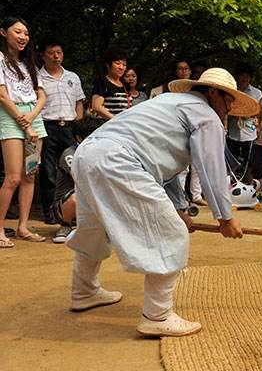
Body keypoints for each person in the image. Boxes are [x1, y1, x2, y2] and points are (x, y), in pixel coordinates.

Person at [66, 67, 248, 337]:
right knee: (170, 231)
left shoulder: (166, 102)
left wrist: (180, 209)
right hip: (119, 160)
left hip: (88, 155)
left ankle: (84, 291)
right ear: (213, 93)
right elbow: (211, 169)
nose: (230, 107)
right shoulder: (206, 115)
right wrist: (225, 218)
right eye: (229, 99)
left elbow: (166, 168)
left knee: (94, 228)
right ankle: (157, 315)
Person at [0, 16, 48, 248]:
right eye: (18, 32)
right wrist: (25, 123)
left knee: (30, 175)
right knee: (13, 177)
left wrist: (32, 117)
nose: (23, 37)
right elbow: (2, 95)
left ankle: (23, 227)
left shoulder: (28, 64)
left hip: (33, 118)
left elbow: (42, 95)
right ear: (3, 33)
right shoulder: (0, 60)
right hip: (11, 118)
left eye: (26, 33)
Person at [38, 40, 85, 226]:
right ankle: (50, 212)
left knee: (74, 169)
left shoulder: (72, 76)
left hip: (70, 128)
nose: (56, 56)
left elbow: (79, 101)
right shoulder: (36, 77)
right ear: (43, 55)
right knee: (48, 172)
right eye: (51, 52)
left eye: (59, 52)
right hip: (47, 126)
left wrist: (78, 125)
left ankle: (73, 211)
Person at [49, 116, 103, 243]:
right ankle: (65, 225)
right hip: (65, 205)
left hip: (91, 203)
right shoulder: (70, 154)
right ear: (79, 138)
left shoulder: (102, 151)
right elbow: (84, 180)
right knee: (76, 196)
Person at [227, 64, 261, 181]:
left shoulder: (257, 93)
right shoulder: (231, 91)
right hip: (233, 130)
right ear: (237, 76)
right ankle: (231, 179)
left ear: (250, 77)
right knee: (232, 156)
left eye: (247, 75)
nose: (244, 78)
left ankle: (250, 179)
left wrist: (249, 114)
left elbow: (259, 111)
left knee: (249, 158)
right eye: (242, 75)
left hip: (249, 130)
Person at [90, 48, 129, 119]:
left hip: (123, 126)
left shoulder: (125, 85)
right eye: (117, 63)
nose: (121, 67)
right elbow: (97, 106)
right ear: (108, 65)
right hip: (108, 126)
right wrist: (116, 119)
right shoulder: (102, 82)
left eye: (124, 65)